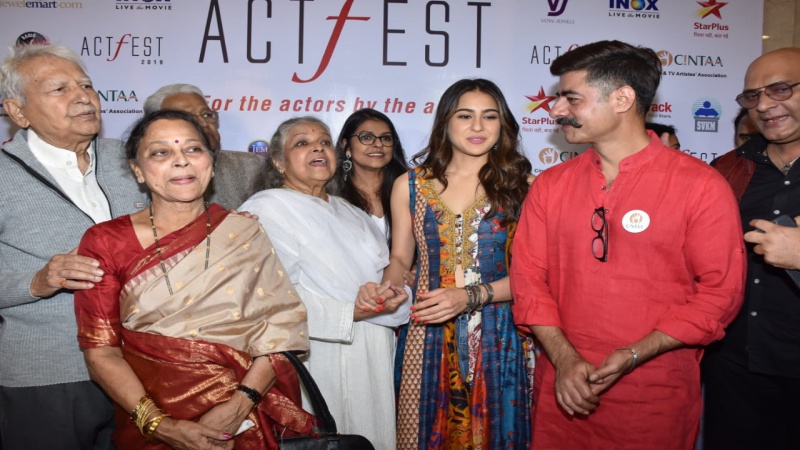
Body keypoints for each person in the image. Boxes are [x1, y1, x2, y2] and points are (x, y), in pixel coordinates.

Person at [509, 40, 746, 450]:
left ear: (622, 99)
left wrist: (634, 354)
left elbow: (720, 294)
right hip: (564, 393)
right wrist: (565, 361)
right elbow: (528, 280)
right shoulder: (551, 185)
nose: (556, 109)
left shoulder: (701, 185)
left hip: (654, 397)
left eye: (572, 98)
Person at [74, 109, 314, 449]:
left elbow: (282, 328)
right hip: (147, 425)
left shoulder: (243, 232)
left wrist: (236, 408)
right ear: (137, 170)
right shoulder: (105, 241)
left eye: (193, 149)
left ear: (211, 164)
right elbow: (101, 353)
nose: (181, 161)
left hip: (242, 423)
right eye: (161, 152)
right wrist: (161, 426)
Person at [0, 43, 146, 449]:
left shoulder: (132, 160)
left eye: (86, 85)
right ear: (18, 112)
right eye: (59, 89)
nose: (83, 96)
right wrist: (37, 281)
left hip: (141, 371)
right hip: (49, 377)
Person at [381, 78, 535, 449]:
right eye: (465, 115)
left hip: (502, 335)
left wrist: (469, 296)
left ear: (503, 127)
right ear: (446, 123)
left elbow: (536, 277)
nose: (478, 127)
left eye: (489, 117)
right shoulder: (412, 184)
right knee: (421, 434)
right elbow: (401, 257)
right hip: (426, 330)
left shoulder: (525, 187)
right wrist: (389, 286)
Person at [239, 116, 410, 449]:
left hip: (374, 347)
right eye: (302, 142)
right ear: (278, 161)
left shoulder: (351, 211)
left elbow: (384, 274)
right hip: (317, 353)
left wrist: (390, 295)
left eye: (324, 141)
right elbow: (273, 302)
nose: (317, 147)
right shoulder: (266, 208)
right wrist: (352, 313)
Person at [702, 47, 800, 450]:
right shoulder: (726, 170)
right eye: (752, 96)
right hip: (735, 370)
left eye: (779, 89)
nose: (764, 105)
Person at [143, 83, 264, 210]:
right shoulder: (146, 171)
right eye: (186, 117)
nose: (203, 123)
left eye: (206, 115)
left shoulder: (251, 165)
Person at [330, 108, 408, 239]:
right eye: (366, 137)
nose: (378, 144)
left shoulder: (412, 190)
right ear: (346, 146)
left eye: (385, 138)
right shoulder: (332, 195)